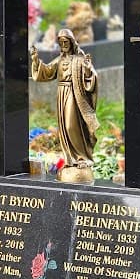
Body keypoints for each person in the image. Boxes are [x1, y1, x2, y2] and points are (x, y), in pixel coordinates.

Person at [31, 29, 99, 178]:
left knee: (71, 125)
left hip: (75, 95)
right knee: (64, 129)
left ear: (71, 42)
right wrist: (36, 60)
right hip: (62, 93)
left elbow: (91, 79)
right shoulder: (60, 60)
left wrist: (88, 70)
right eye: (61, 42)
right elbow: (47, 72)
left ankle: (82, 157)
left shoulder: (80, 60)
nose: (63, 45)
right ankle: (71, 159)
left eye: (66, 42)